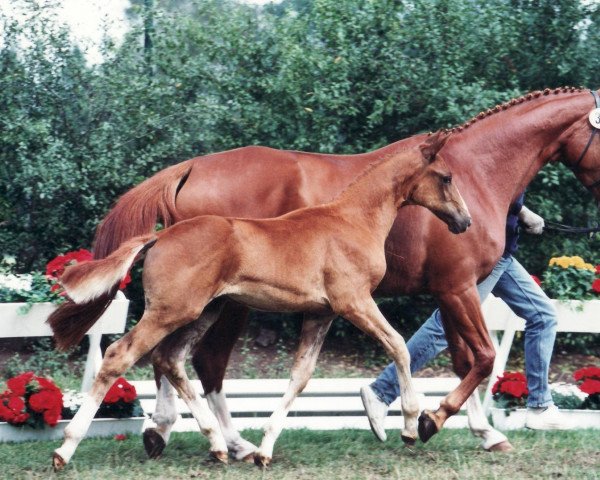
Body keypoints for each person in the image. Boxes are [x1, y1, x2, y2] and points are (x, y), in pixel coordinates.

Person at [361, 194, 569, 443]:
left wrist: (520, 210)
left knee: (543, 316)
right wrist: (522, 211)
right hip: (485, 251)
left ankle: (539, 405)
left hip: (503, 254)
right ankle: (382, 390)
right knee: (447, 325)